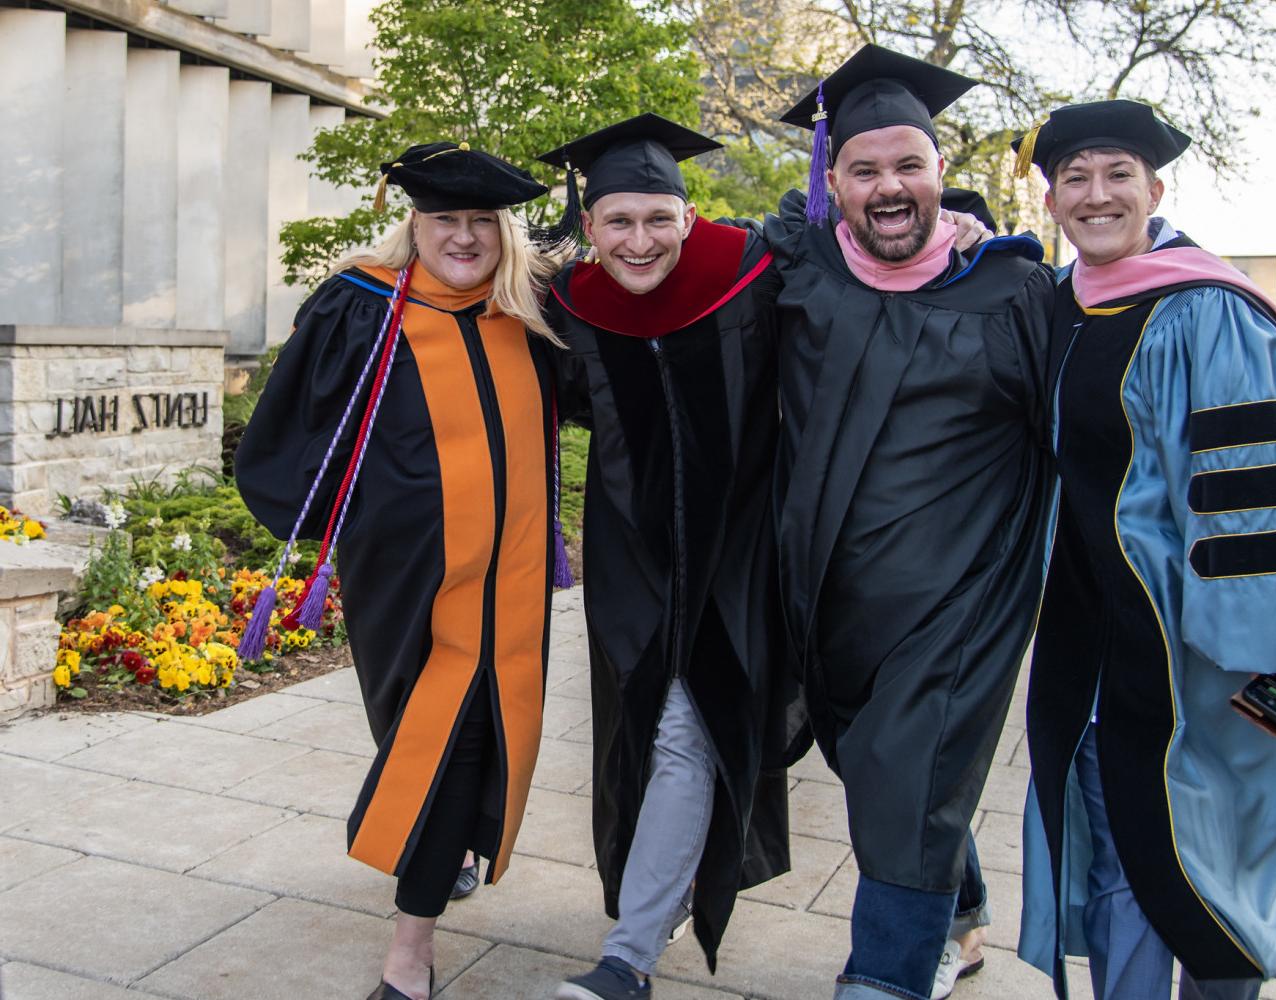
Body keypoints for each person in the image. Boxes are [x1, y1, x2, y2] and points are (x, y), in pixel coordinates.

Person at [1011, 100, 1276, 1000]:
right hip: (1093, 648)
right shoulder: (1063, 308)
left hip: (1216, 662)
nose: (1096, 194)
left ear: (1156, 189)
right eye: (1074, 178)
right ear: (1052, 201)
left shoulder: (1208, 312)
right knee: (1121, 860)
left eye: (1118, 176)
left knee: (1220, 870)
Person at [236, 142, 571, 1000]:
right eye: (444, 219)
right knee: (425, 732)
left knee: (465, 736)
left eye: (480, 222)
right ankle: (440, 847)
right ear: (413, 223)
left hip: (512, 577)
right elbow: (293, 425)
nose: (463, 236)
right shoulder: (362, 306)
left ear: (505, 233)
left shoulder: (531, 313)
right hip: (406, 573)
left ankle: (409, 951)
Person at [768, 45, 1056, 1000]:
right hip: (832, 605)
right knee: (893, 781)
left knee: (904, 776)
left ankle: (883, 978)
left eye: (909, 165)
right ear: (832, 181)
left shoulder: (1012, 291)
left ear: (941, 175)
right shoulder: (800, 273)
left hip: (957, 604)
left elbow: (1103, 417)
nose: (889, 186)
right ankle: (962, 925)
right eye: (864, 169)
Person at [534, 114, 794, 1000]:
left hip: (742, 556)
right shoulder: (571, 309)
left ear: (688, 216)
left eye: (657, 219)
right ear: (590, 226)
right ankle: (641, 934)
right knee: (660, 730)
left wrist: (963, 226)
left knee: (858, 731)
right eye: (617, 222)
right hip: (636, 565)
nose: (639, 241)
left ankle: (628, 956)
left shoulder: (755, 276)